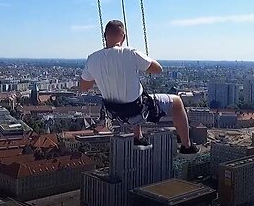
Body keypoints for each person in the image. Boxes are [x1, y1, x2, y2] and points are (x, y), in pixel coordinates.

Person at [79, 20, 199, 155]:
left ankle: (138, 136)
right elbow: (158, 69)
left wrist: (100, 75)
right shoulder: (130, 53)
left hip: (114, 111)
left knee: (133, 92)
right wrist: (141, 60)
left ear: (105, 35)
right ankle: (186, 145)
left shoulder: (92, 58)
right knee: (176, 102)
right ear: (123, 37)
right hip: (137, 108)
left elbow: (83, 86)